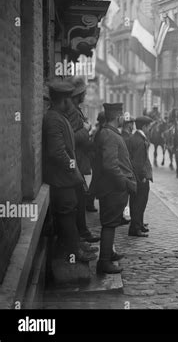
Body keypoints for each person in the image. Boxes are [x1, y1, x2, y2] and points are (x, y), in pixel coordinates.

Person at [42, 80, 96, 263]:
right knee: (66, 216)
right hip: (61, 179)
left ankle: (75, 248)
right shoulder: (53, 120)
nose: (72, 104)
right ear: (64, 101)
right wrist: (75, 172)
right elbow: (57, 153)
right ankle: (74, 254)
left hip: (66, 179)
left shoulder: (59, 116)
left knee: (70, 213)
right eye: (69, 100)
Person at [93, 103, 137, 274]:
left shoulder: (108, 133)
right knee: (110, 224)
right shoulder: (110, 136)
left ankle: (108, 253)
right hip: (113, 188)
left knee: (111, 223)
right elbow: (110, 166)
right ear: (117, 117)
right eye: (121, 116)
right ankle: (104, 262)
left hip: (112, 187)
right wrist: (123, 183)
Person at [65, 77, 99, 244]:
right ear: (78, 94)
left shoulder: (75, 109)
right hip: (74, 162)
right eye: (83, 92)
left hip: (77, 161)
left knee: (80, 199)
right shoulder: (72, 110)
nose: (85, 94)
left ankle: (82, 233)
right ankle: (81, 235)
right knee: (78, 201)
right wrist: (86, 130)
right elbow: (69, 137)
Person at [127, 116, 154, 237]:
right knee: (139, 202)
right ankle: (135, 228)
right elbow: (138, 162)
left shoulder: (136, 137)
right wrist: (142, 176)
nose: (150, 129)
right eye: (149, 127)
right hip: (140, 177)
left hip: (137, 176)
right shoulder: (139, 140)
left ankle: (139, 223)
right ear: (144, 127)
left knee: (138, 201)